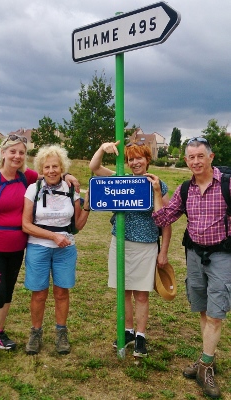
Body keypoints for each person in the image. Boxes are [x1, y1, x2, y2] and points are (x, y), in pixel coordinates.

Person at [0, 135, 79, 365]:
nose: (17, 156)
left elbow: (48, 173)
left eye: (21, 152)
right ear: (4, 153)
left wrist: (67, 175)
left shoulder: (25, 176)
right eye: (13, 152)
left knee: (7, 293)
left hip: (17, 247)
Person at [147, 137, 231, 398]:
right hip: (194, 255)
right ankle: (208, 355)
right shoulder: (186, 189)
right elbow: (164, 217)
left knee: (216, 313)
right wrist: (159, 195)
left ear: (211, 157)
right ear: (186, 161)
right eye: (191, 157)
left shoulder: (227, 185)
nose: (196, 161)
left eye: (200, 156)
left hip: (222, 256)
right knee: (203, 308)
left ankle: (205, 367)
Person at [89, 140, 171, 358]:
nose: (135, 162)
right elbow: (94, 168)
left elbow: (165, 219)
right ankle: (127, 331)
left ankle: (141, 336)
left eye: (139, 158)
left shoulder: (157, 184)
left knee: (141, 295)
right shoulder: (120, 180)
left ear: (147, 160)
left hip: (146, 246)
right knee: (123, 292)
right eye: (131, 159)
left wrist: (163, 252)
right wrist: (102, 149)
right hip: (121, 244)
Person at [22, 144, 90, 355]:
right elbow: (26, 224)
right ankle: (35, 332)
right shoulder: (33, 189)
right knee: (39, 293)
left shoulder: (70, 189)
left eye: (55, 166)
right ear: (41, 169)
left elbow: (77, 225)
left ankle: (61, 333)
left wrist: (88, 206)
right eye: (47, 167)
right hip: (38, 246)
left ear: (62, 168)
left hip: (65, 249)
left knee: (62, 292)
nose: (51, 170)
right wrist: (52, 236)